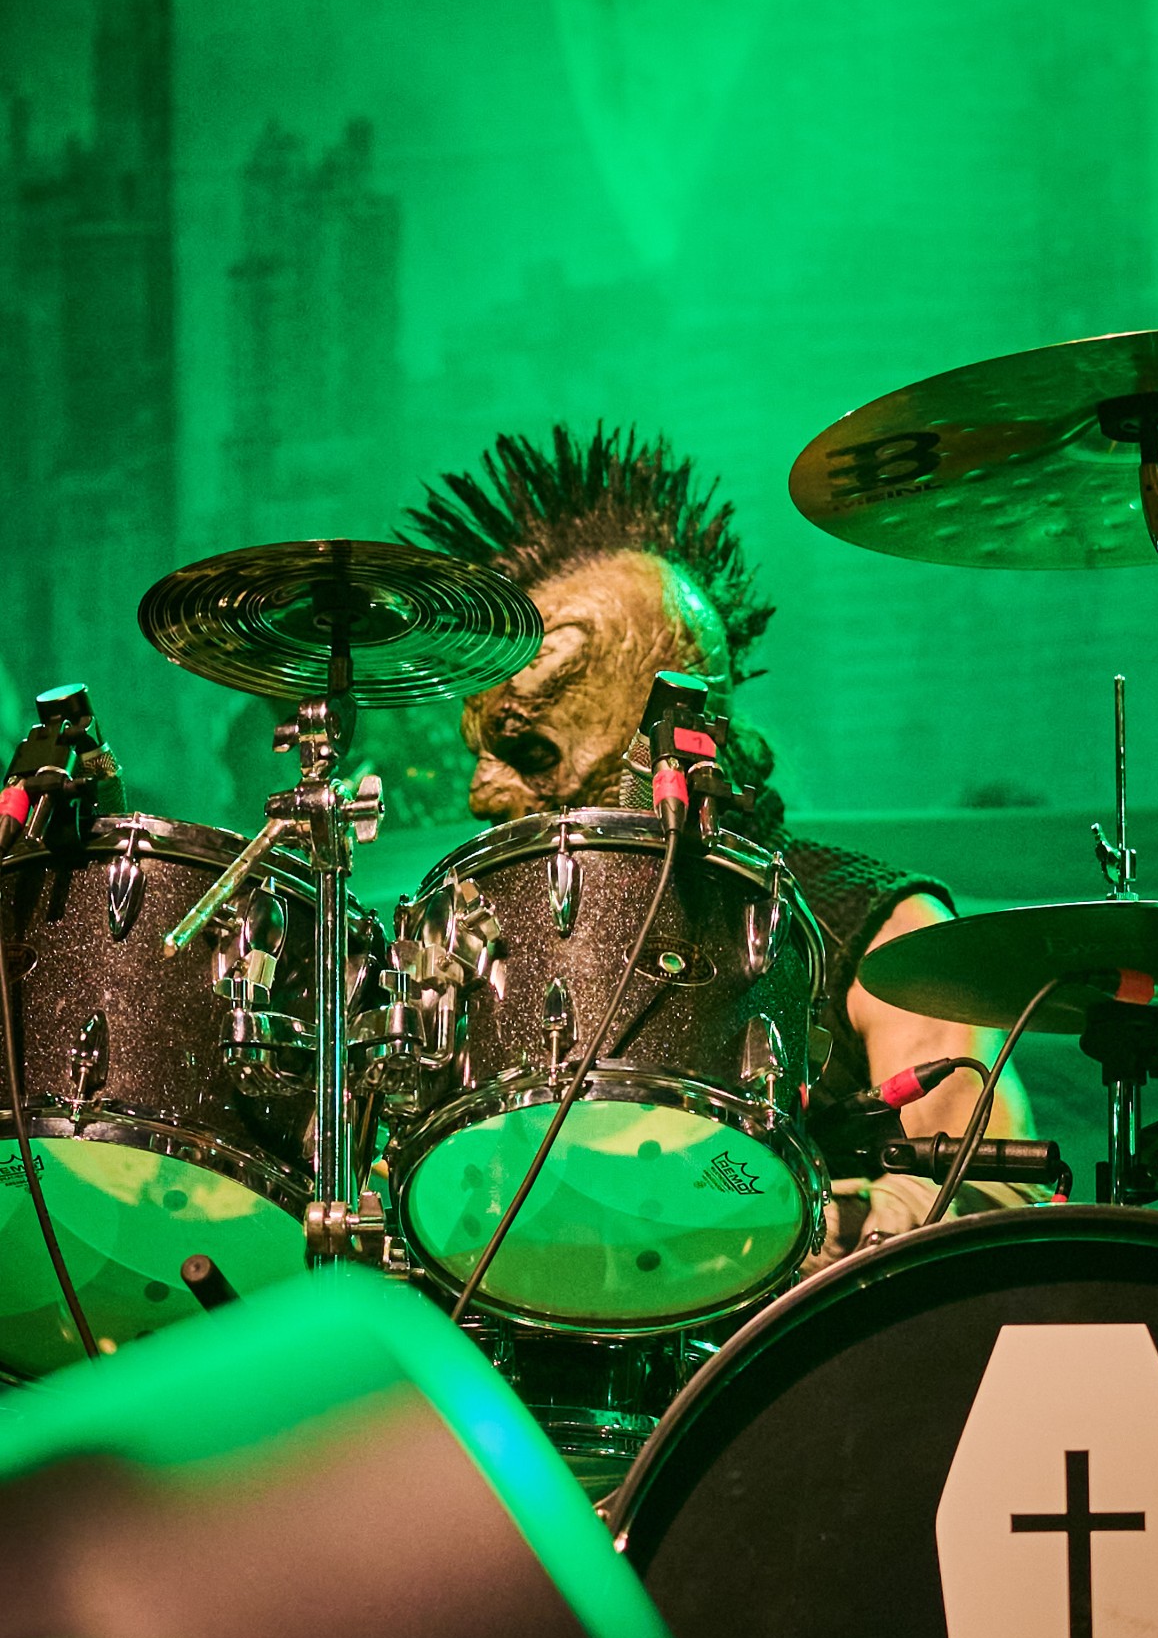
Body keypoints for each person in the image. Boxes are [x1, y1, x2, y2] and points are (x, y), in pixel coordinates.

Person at [405, 425, 1034, 1258]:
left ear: (664, 742)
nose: (482, 793)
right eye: (480, 752)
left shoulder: (871, 925)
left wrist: (759, 1224)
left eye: (530, 749)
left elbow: (990, 1194)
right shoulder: (479, 947)